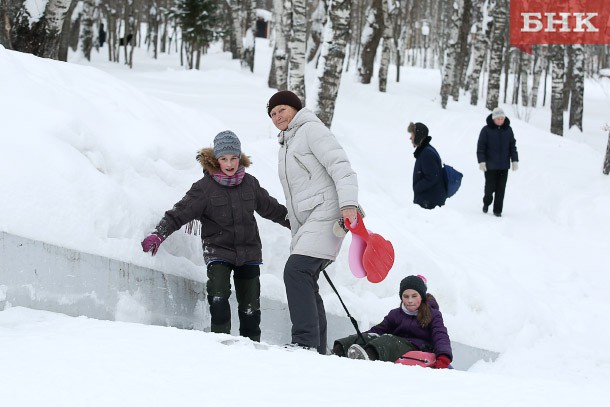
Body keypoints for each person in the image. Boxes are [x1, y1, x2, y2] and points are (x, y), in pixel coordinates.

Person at [141, 130, 290, 342]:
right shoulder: (204, 189)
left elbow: (271, 208)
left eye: (234, 158)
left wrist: (295, 222)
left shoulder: (250, 184)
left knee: (250, 306)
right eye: (224, 159)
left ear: (240, 158)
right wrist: (159, 233)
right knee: (218, 296)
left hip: (248, 252)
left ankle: (252, 347)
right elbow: (180, 213)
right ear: (215, 159)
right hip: (218, 251)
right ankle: (221, 343)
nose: (229, 164)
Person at [267, 90, 360, 354]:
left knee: (296, 270)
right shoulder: (286, 145)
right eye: (273, 114)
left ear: (295, 108)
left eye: (281, 109)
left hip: (329, 212)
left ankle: (305, 342)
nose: (277, 117)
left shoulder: (311, 130)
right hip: (312, 218)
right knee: (305, 275)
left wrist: (348, 204)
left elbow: (341, 166)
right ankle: (317, 348)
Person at [332, 275, 452, 369]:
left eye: (414, 296)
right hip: (396, 343)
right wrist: (363, 337)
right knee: (369, 337)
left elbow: (440, 335)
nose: (410, 300)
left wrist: (443, 357)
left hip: (418, 346)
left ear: (422, 296)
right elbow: (378, 330)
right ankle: (337, 352)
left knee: (387, 340)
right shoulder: (396, 313)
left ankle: (367, 357)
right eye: (406, 296)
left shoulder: (433, 314)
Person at [477, 107, 519, 217]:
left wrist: (514, 160)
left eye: (502, 118)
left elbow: (512, 146)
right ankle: (486, 202)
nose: (500, 120)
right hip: (490, 166)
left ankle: (497, 211)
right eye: (498, 118)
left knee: (501, 189)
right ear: (493, 119)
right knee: (489, 188)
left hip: (504, 166)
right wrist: (482, 161)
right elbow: (481, 147)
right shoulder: (486, 130)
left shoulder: (508, 130)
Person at [409, 122, 447, 209]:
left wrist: (417, 187)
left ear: (418, 136)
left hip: (429, 202)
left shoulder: (426, 153)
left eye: (412, 135)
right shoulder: (425, 150)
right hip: (429, 200)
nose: (410, 138)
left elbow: (432, 176)